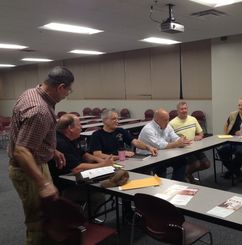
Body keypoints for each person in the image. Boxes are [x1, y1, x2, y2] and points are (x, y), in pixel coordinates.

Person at [8, 66, 74, 245]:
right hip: (27, 168)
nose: (67, 94)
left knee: (47, 213)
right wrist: (43, 183)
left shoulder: (31, 92)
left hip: (34, 161)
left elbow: (27, 135)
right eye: (68, 90)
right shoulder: (40, 110)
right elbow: (21, 151)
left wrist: (51, 149)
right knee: (38, 219)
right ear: (61, 87)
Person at [49, 114, 114, 214]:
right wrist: (103, 165)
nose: (82, 127)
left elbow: (83, 154)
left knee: (101, 183)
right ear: (70, 128)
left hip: (76, 179)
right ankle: (83, 221)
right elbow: (76, 168)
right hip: (66, 187)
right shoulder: (61, 143)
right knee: (98, 196)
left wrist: (99, 160)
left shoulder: (71, 138)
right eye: (79, 125)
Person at [137, 108, 191, 181]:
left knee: (181, 160)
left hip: (162, 154)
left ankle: (176, 182)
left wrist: (181, 141)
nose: (168, 122)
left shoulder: (167, 125)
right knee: (160, 166)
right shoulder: (148, 129)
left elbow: (174, 136)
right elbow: (160, 145)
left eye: (168, 119)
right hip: (147, 157)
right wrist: (177, 144)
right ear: (157, 120)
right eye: (165, 120)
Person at [89, 109, 157, 160]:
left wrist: (148, 147)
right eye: (113, 119)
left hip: (122, 160)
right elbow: (98, 155)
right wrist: (120, 157)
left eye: (117, 119)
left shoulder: (120, 131)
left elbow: (135, 142)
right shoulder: (96, 135)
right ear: (104, 121)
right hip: (108, 163)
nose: (117, 121)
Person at [169, 101, 210, 183]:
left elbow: (201, 132)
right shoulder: (172, 123)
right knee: (196, 164)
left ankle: (186, 174)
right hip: (182, 150)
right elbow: (169, 139)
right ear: (177, 111)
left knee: (207, 164)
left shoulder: (192, 119)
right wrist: (178, 141)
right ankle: (184, 175)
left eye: (185, 108)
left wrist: (200, 136)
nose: (184, 110)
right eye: (181, 109)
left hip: (194, 147)